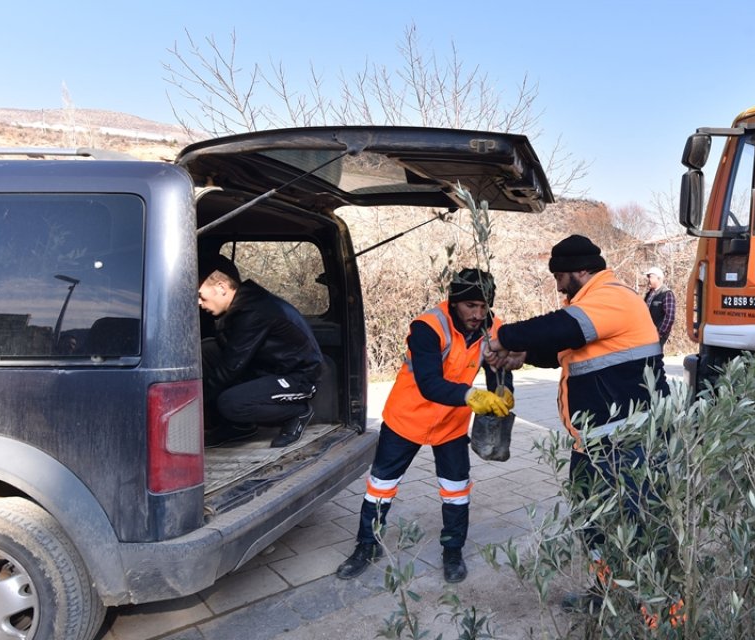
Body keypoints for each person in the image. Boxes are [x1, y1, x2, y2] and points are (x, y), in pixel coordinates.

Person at [485, 235, 670, 610]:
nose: (556, 285)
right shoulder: (590, 305)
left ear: (581, 270)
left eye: (560, 276)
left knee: (639, 533)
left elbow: (560, 328)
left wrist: (501, 336)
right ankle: (607, 596)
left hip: (628, 444)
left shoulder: (614, 298)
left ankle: (662, 615)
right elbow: (565, 350)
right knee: (593, 526)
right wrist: (523, 356)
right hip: (593, 444)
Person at [336, 268, 514, 584]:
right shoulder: (428, 327)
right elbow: (430, 384)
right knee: (381, 486)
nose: (478, 314)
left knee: (457, 490)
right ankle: (367, 545)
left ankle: (453, 550)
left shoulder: (492, 328)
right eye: (471, 305)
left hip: (452, 424)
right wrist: (473, 395)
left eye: (484, 306)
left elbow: (497, 365)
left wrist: (504, 387)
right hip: (407, 419)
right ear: (455, 302)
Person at [198, 254, 322, 449]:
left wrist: (194, 406)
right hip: (267, 368)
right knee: (208, 352)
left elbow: (230, 368)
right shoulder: (241, 305)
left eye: (200, 296)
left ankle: (297, 411)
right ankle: (237, 427)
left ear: (221, 288)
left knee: (230, 403)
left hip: (297, 377)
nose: (199, 303)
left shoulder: (255, 311)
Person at [642, 266, 677, 349]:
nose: (648, 280)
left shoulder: (667, 294)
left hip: (658, 334)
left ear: (659, 278)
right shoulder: (649, 294)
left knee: (655, 359)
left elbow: (670, 317)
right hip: (647, 333)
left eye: (650, 277)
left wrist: (660, 333)